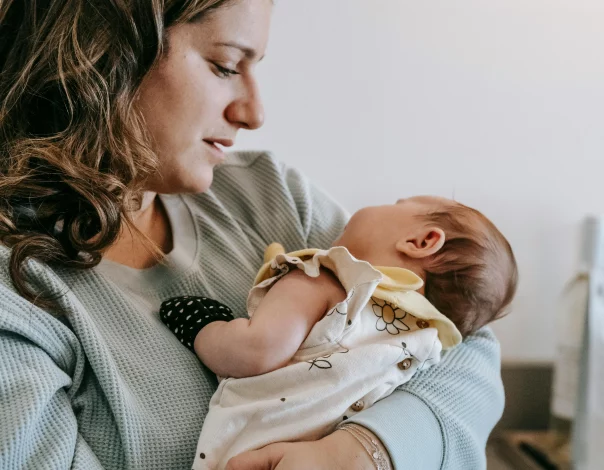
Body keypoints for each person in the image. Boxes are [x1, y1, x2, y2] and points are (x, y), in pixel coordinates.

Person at [0, 0, 506, 469]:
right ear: (98, 52)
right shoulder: (17, 290)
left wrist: (364, 452)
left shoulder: (268, 193)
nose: (254, 113)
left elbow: (463, 343)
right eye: (224, 65)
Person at [158, 196, 518, 469]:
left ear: (422, 241)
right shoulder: (429, 340)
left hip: (252, 453)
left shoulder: (333, 278)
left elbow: (256, 348)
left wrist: (204, 324)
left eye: (398, 203)